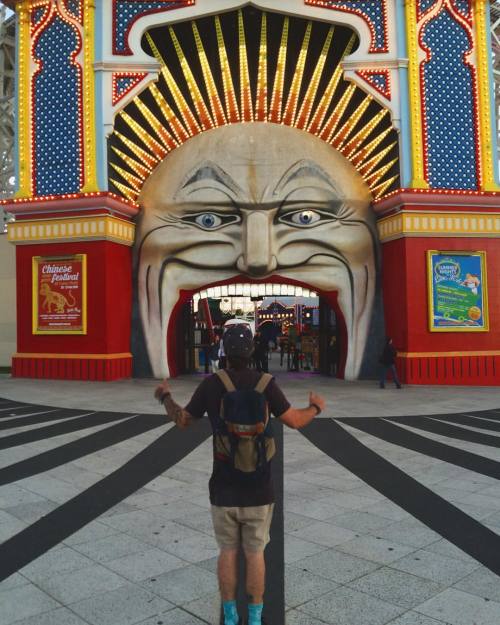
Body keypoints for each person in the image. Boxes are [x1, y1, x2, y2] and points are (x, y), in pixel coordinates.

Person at [154, 325, 326, 625]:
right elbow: (295, 421)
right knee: (255, 553)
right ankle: (256, 617)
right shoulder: (266, 383)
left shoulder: (211, 384)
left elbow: (183, 420)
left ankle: (231, 615)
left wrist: (165, 397)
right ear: (251, 351)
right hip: (259, 487)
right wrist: (315, 407)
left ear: (224, 351)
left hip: (223, 487)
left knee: (228, 551)